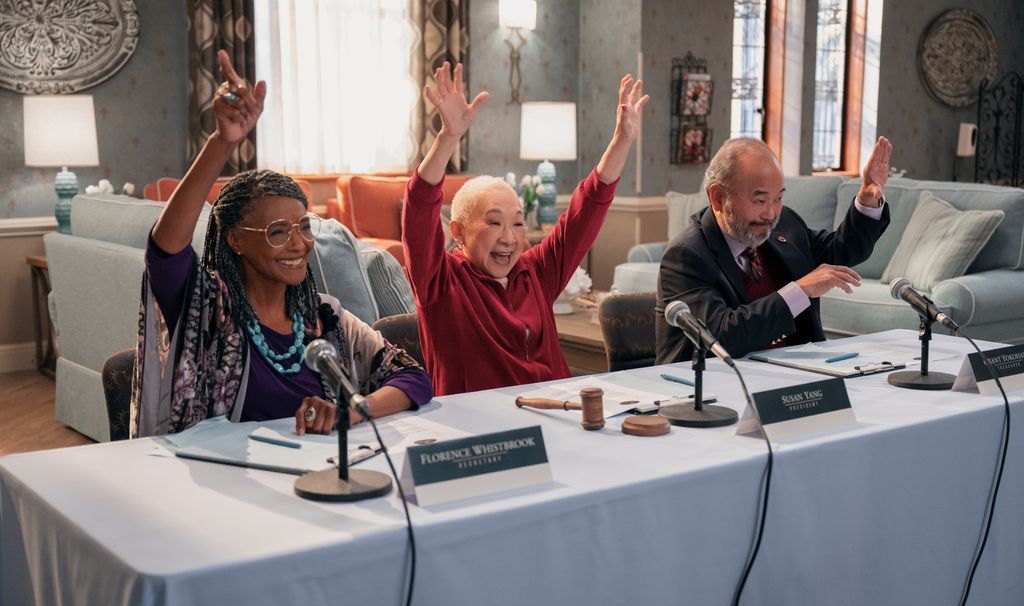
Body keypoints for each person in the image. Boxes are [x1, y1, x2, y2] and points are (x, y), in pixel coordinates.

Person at [132, 50, 431, 437]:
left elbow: (413, 379)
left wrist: (352, 411)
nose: (299, 244)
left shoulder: (325, 319)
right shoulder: (207, 311)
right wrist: (221, 143)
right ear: (235, 239)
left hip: (314, 478)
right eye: (277, 232)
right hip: (224, 482)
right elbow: (165, 251)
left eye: (304, 227)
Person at [403, 62, 649, 395]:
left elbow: (586, 211)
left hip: (558, 415)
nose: (509, 237)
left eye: (518, 222)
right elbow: (419, 210)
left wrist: (621, 141)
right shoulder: (440, 283)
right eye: (493, 222)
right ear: (458, 232)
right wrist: (448, 138)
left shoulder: (535, 272)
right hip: (481, 429)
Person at [655, 136, 893, 363]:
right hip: (712, 388)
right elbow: (720, 338)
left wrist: (868, 199)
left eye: (778, 199)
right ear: (718, 197)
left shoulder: (785, 223)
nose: (770, 214)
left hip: (794, 374)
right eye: (760, 201)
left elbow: (840, 250)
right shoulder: (686, 256)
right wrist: (799, 291)